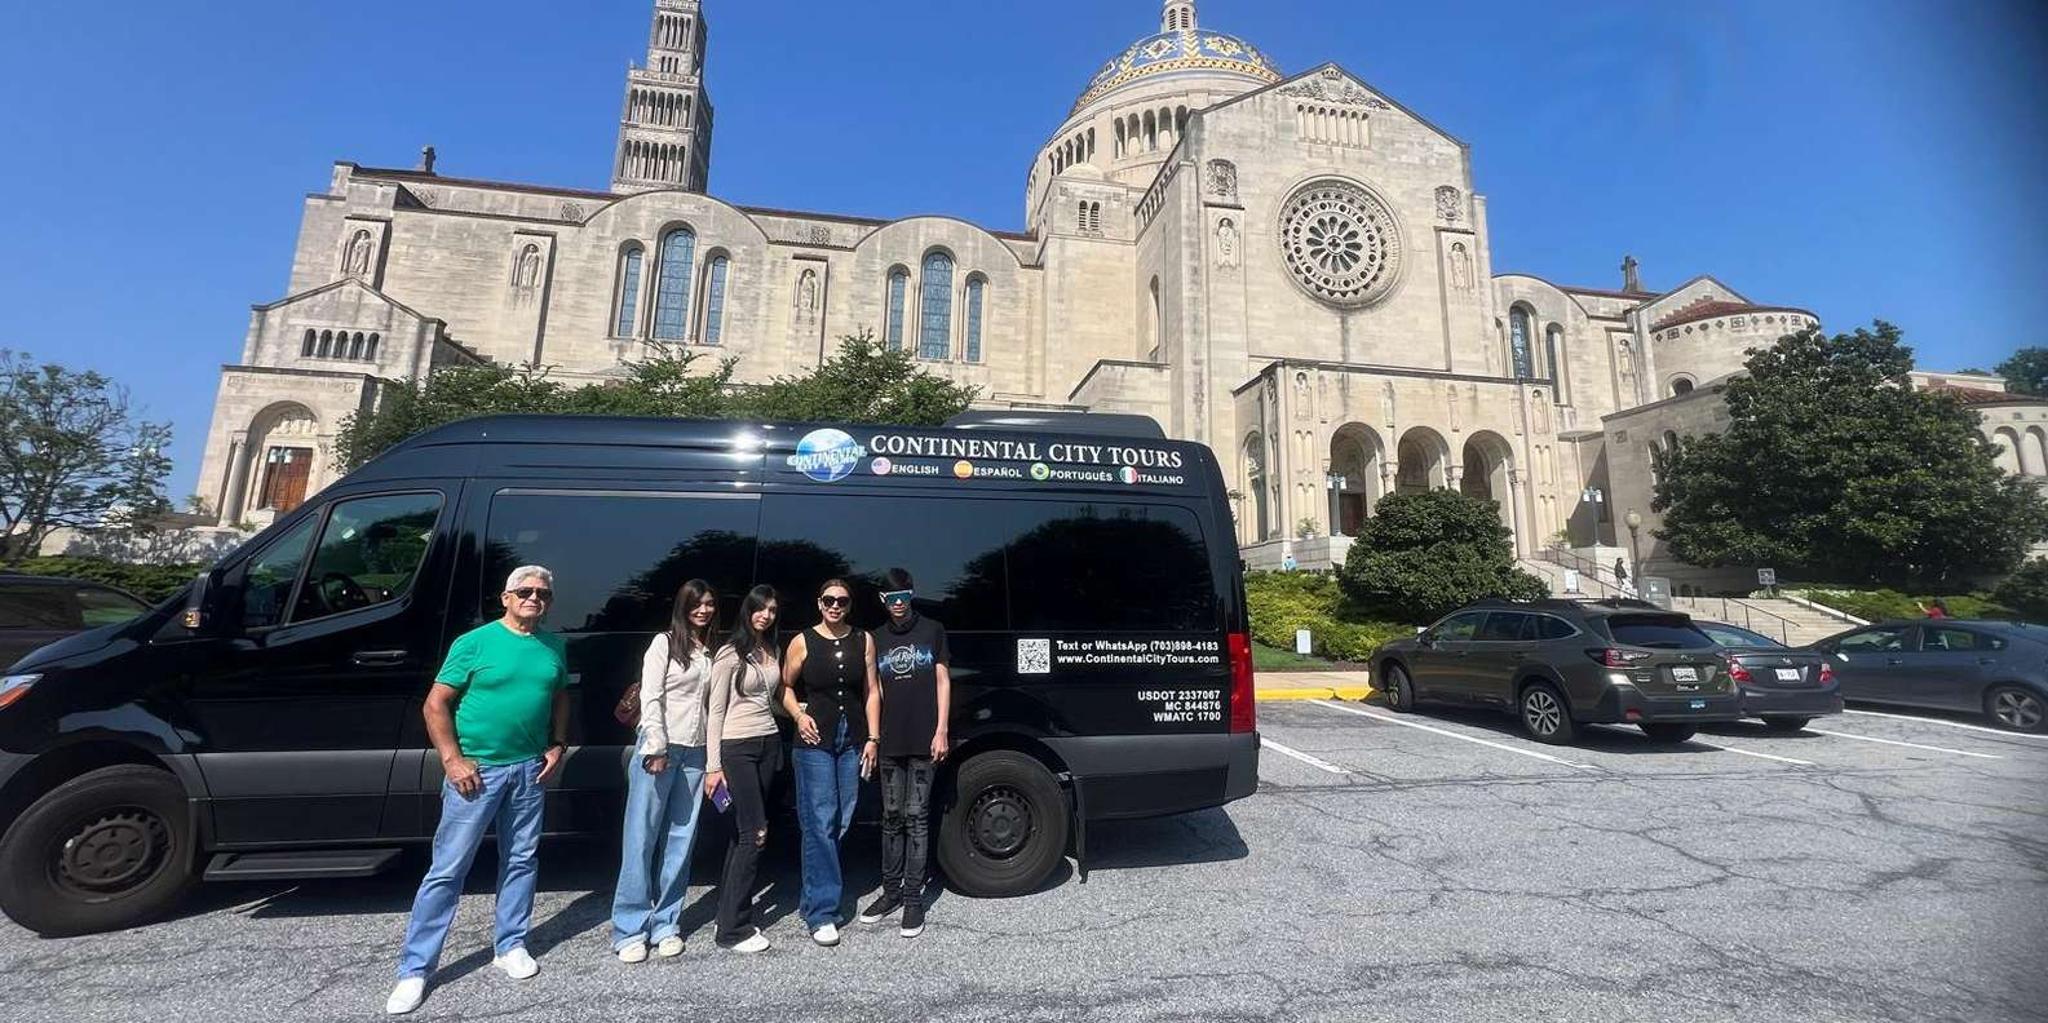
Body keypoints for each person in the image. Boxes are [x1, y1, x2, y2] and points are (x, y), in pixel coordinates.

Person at [386, 567, 569, 1016]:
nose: (534, 599)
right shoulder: (475, 643)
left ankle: (510, 945)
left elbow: (561, 695)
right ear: (505, 597)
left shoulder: (553, 645)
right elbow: (436, 703)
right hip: (478, 772)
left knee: (522, 860)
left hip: (528, 770)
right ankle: (415, 970)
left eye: (542, 594)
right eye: (524, 592)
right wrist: (452, 758)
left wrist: (558, 742)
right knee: (448, 869)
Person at [610, 579, 718, 963]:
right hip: (662, 749)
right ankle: (629, 928)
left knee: (680, 840)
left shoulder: (709, 650)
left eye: (709, 604)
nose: (704, 610)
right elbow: (651, 696)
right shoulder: (664, 643)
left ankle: (667, 923)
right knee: (641, 837)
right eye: (696, 604)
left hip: (696, 752)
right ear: (683, 606)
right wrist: (655, 746)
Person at [781, 579, 883, 947]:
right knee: (820, 820)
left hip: (852, 739)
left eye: (842, 601)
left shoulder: (864, 640)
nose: (835, 606)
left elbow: (872, 691)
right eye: (829, 600)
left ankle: (812, 899)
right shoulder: (802, 641)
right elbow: (785, 687)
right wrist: (798, 716)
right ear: (819, 603)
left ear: (849, 605)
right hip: (814, 741)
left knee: (842, 818)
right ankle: (823, 911)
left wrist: (872, 738)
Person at [857, 568, 951, 939]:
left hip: (925, 739)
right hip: (890, 742)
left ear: (911, 595)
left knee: (917, 817)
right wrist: (874, 738)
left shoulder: (932, 630)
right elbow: (873, 690)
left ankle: (914, 898)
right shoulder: (874, 639)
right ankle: (891, 891)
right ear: (883, 601)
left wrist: (942, 729)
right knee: (891, 817)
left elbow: (943, 679)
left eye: (903, 596)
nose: (898, 604)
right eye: (891, 598)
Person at [704, 585, 783, 954]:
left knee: (742, 834)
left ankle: (727, 914)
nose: (765, 615)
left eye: (771, 610)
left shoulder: (771, 649)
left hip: (769, 743)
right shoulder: (730, 653)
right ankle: (733, 930)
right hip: (737, 749)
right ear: (747, 610)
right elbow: (715, 711)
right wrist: (712, 766)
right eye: (759, 609)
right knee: (756, 833)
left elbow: (774, 698)